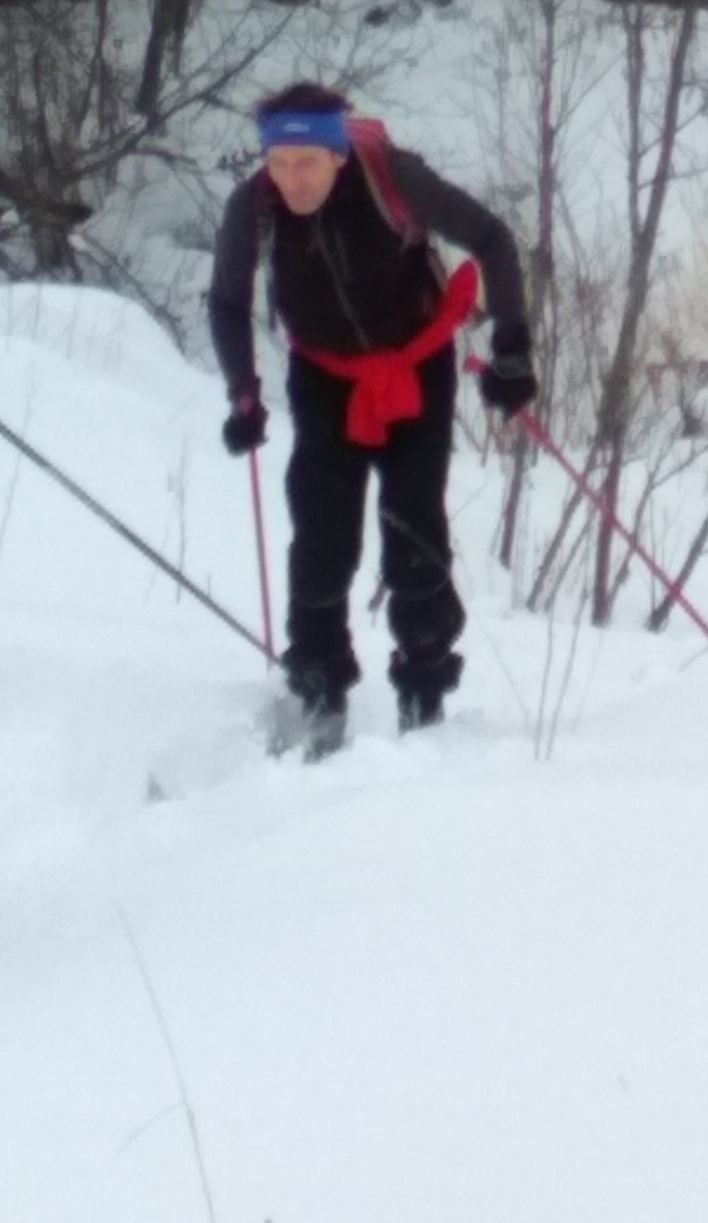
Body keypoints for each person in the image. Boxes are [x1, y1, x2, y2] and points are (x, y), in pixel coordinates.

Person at [208, 83, 539, 744]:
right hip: (324, 376)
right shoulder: (253, 206)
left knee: (413, 529)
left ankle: (424, 688)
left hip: (416, 368)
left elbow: (493, 239)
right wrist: (243, 391)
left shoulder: (395, 177)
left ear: (336, 155)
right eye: (279, 163)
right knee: (321, 533)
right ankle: (318, 689)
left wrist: (512, 353)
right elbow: (226, 299)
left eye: (307, 162)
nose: (293, 179)